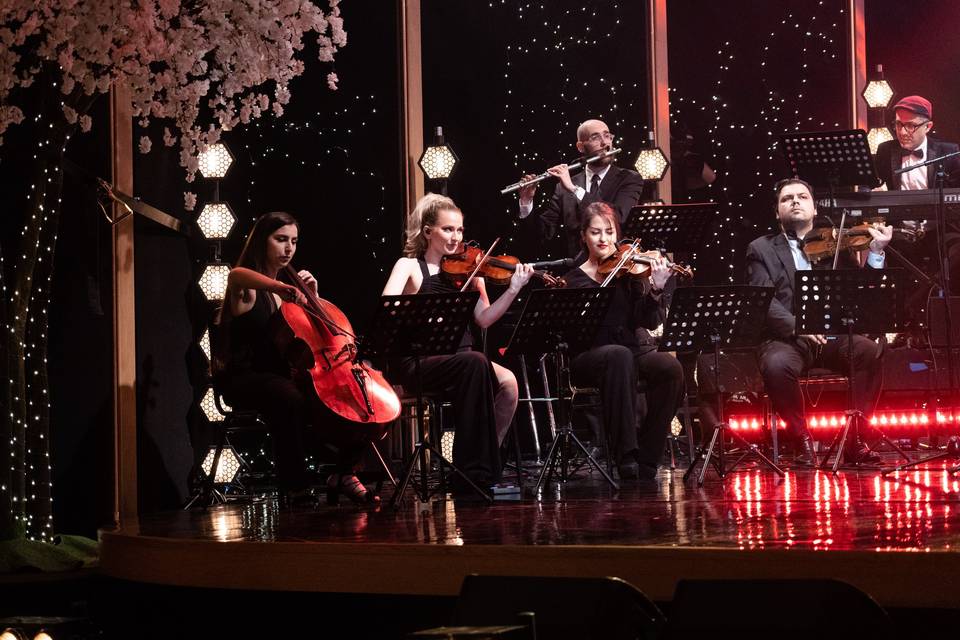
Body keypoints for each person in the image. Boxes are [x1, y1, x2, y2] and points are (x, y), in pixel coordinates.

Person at [213, 211, 378, 505]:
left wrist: (313, 296)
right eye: (280, 240)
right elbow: (234, 274)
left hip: (280, 375)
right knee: (289, 398)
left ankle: (343, 472)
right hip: (245, 377)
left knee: (353, 397)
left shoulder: (290, 295)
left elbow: (316, 339)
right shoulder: (249, 290)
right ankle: (295, 486)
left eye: (294, 241)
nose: (289, 248)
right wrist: (280, 286)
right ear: (262, 241)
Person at [381, 193, 534, 492]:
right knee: (475, 362)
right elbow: (387, 307)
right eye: (447, 229)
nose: (456, 237)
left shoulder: (470, 272)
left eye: (460, 230)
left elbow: (485, 318)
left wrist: (513, 289)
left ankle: (483, 462)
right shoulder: (409, 266)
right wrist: (421, 311)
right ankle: (473, 468)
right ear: (428, 232)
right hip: (421, 360)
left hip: (461, 359)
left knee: (508, 382)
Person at [746, 178, 893, 465]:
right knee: (776, 365)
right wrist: (800, 326)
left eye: (802, 197)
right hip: (786, 338)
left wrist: (875, 253)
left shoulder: (836, 243)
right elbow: (763, 301)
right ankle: (802, 440)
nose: (795, 202)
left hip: (831, 335)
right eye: (787, 199)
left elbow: (864, 293)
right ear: (777, 212)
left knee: (869, 352)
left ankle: (856, 439)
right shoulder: (760, 249)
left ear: (814, 209)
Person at [561, 202, 685, 481]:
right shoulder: (573, 280)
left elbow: (650, 322)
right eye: (595, 232)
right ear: (583, 236)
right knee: (618, 356)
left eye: (609, 231)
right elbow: (572, 333)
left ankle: (648, 456)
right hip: (590, 356)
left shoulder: (628, 274)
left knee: (669, 368)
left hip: (630, 351)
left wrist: (655, 288)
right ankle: (625, 455)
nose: (604, 239)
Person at [518, 119, 646, 258]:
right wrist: (526, 201)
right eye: (596, 138)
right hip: (579, 272)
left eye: (607, 136)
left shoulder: (629, 178)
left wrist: (575, 190)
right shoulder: (563, 187)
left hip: (616, 268)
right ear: (580, 146)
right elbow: (543, 234)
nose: (605, 143)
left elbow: (618, 217)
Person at [875, 95, 960, 191]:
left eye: (911, 125)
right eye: (898, 124)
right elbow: (869, 186)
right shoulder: (885, 150)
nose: (902, 132)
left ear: (927, 127)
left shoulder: (948, 152)